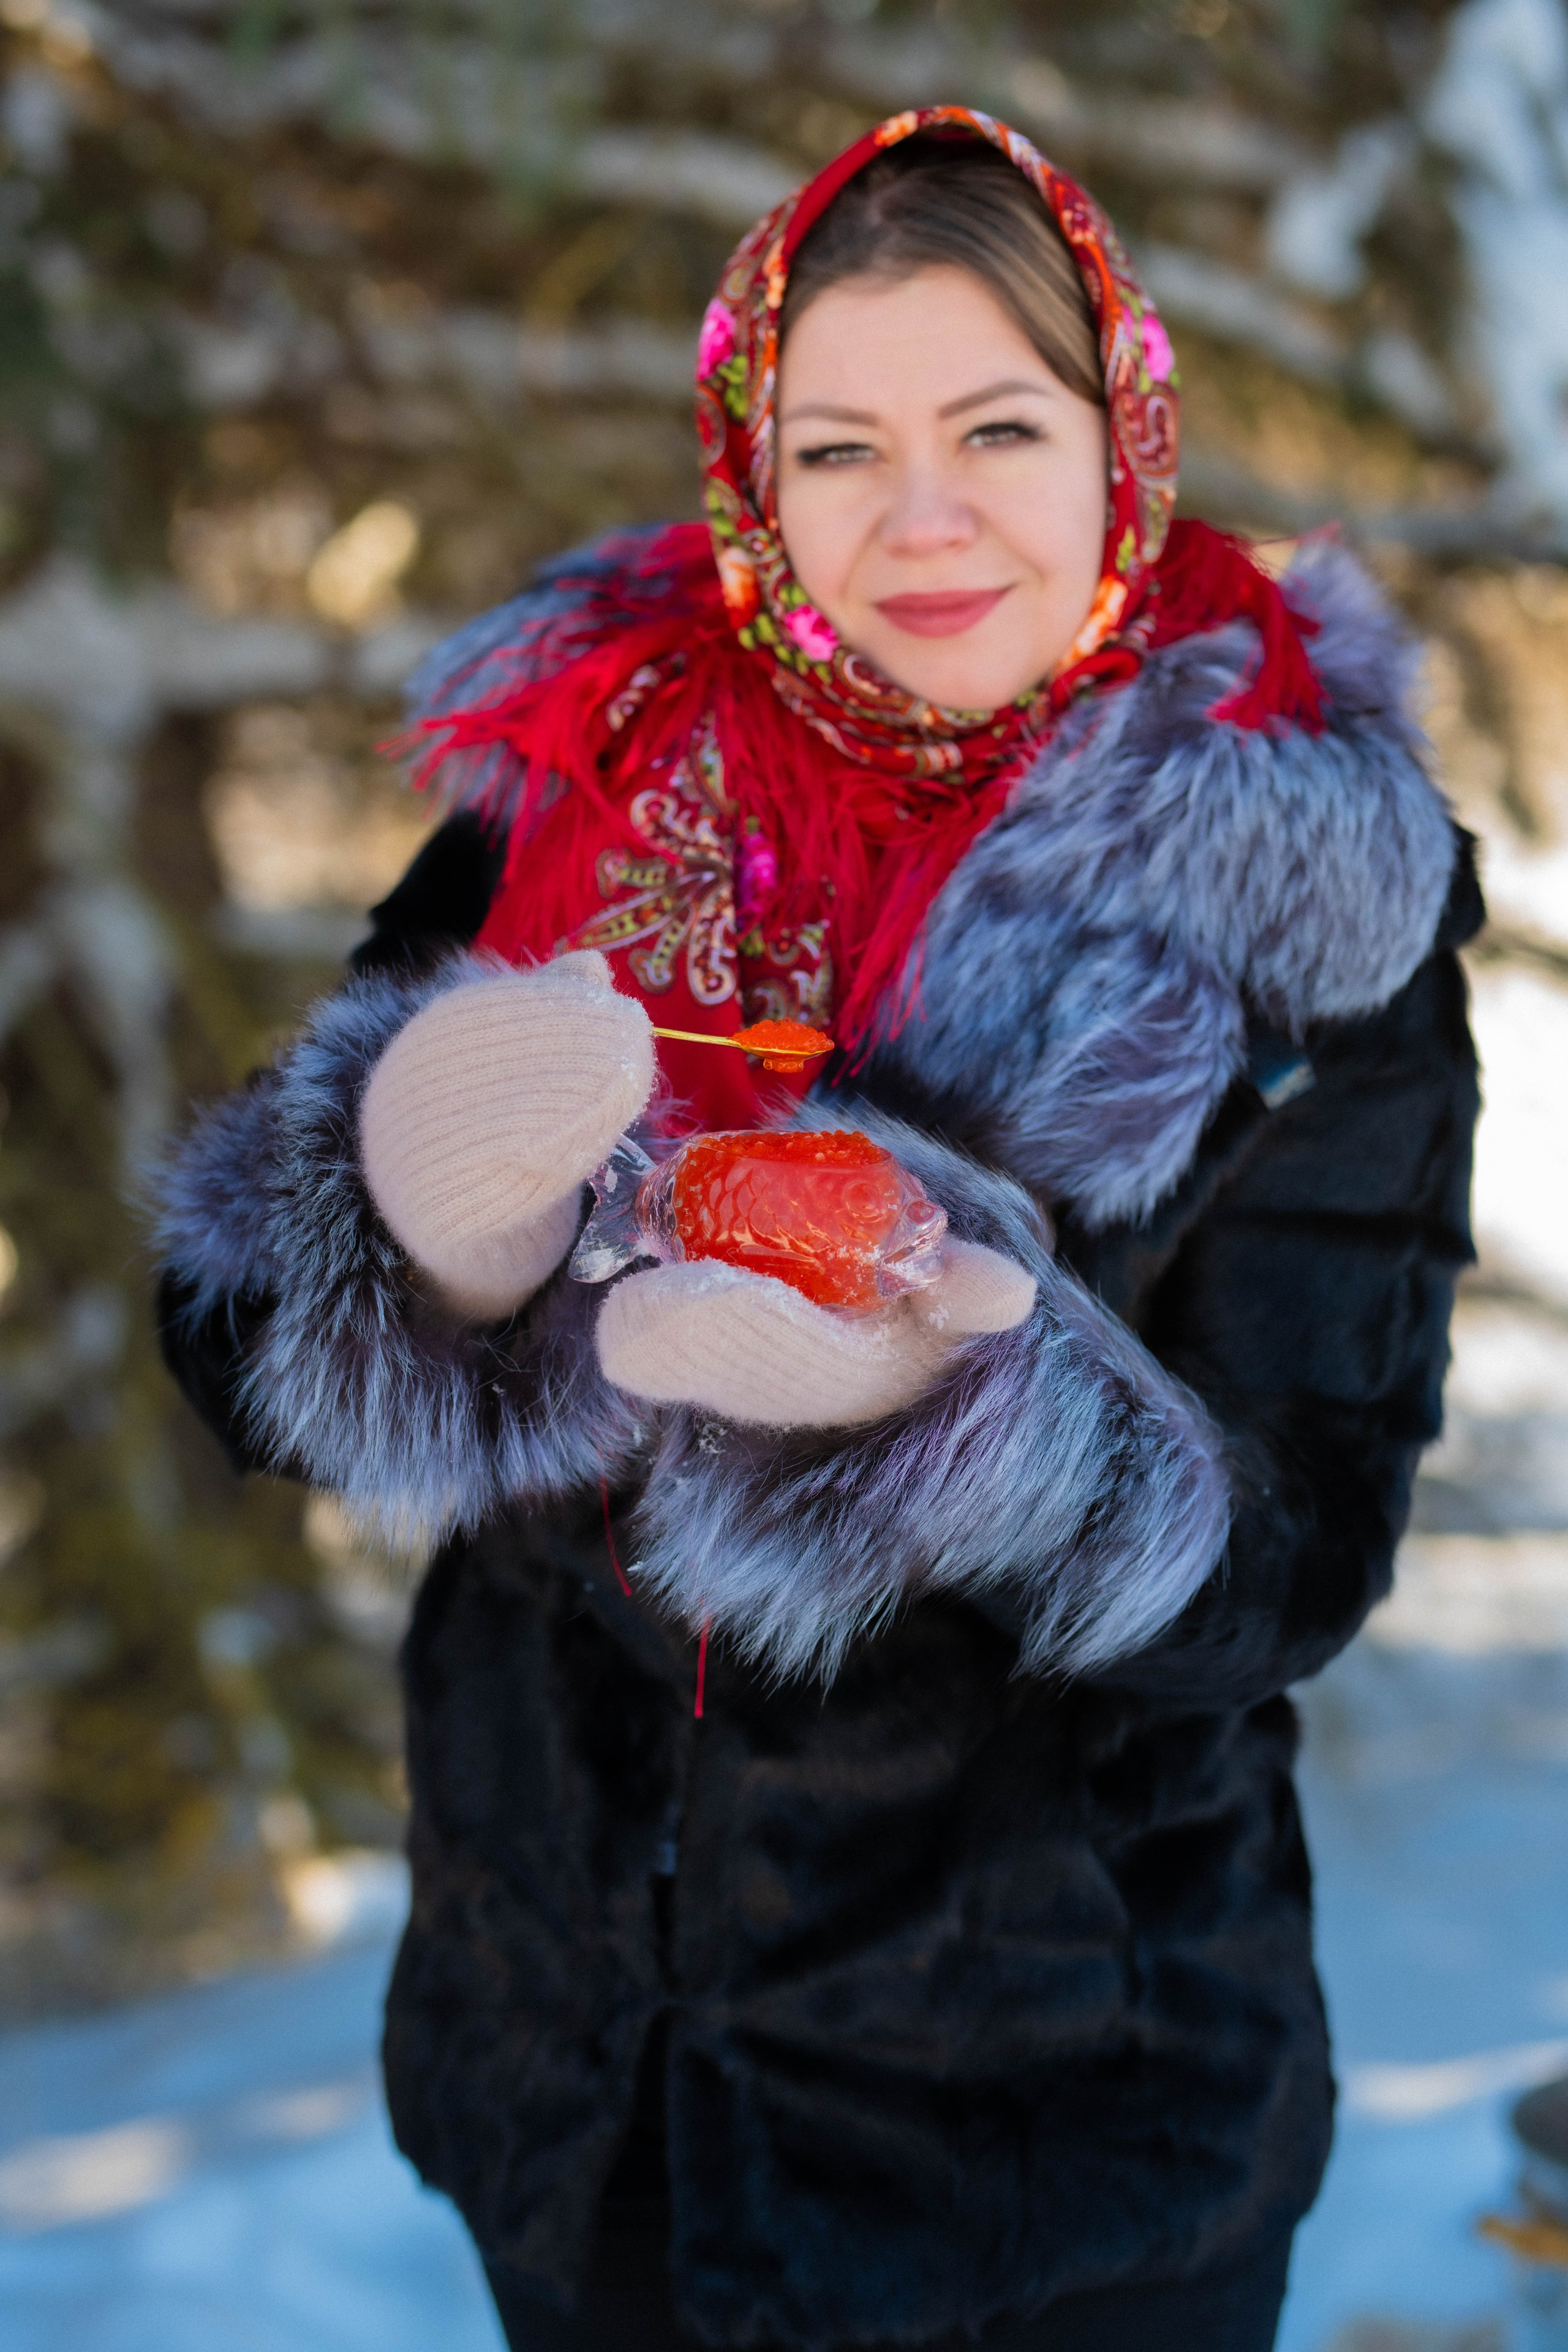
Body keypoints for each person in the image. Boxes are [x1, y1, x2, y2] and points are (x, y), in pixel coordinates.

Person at [153, 108, 1481, 2352]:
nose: (924, 515)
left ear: (1121, 437)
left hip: (1048, 2154)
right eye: (840, 446)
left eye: (997, 426)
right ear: (753, 476)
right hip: (580, 2099)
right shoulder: (574, 783)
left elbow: (1291, 1566)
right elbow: (229, 1338)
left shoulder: (1308, 914)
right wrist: (427, 1261)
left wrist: (973, 1403)